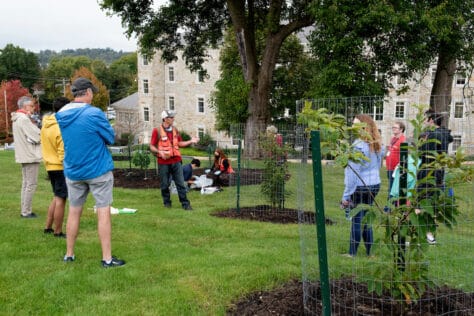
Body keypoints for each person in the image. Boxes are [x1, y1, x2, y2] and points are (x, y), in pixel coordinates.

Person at [55, 77, 125, 268]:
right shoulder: (94, 113)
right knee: (103, 211)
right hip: (97, 170)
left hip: (73, 170)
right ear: (86, 92)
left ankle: (69, 254)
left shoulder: (61, 114)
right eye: (92, 92)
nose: (93, 95)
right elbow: (110, 137)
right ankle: (107, 258)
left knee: (74, 211)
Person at [340, 114, 383, 257]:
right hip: (375, 184)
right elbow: (378, 165)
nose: (353, 127)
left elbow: (352, 175)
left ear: (364, 127)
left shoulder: (357, 146)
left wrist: (346, 195)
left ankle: (352, 253)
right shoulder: (375, 143)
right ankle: (371, 253)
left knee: (357, 220)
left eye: (356, 124)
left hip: (361, 186)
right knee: (366, 219)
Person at [149, 110, 199, 210]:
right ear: (165, 119)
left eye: (173, 117)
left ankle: (185, 204)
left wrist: (190, 141)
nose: (173, 119)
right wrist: (159, 152)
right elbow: (151, 146)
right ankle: (167, 203)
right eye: (171, 117)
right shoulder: (157, 131)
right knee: (164, 184)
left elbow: (179, 143)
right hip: (163, 162)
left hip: (176, 161)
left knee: (180, 183)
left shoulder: (175, 130)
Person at [417, 109, 453, 244]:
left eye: (426, 119)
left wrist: (422, 141)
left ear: (431, 120)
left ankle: (427, 235)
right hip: (438, 173)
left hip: (428, 172)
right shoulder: (444, 134)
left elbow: (423, 154)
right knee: (430, 204)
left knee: (423, 204)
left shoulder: (433, 136)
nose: (424, 122)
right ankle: (427, 235)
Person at [41, 97, 70, 238]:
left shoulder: (46, 123)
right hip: (60, 166)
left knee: (57, 196)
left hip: (50, 166)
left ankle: (47, 226)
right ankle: (58, 231)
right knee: (61, 199)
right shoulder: (60, 127)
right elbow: (62, 151)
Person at [12, 96, 42, 218]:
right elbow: (36, 136)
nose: (34, 108)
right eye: (31, 106)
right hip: (30, 154)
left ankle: (25, 209)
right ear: (25, 107)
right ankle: (26, 211)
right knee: (31, 184)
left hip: (24, 154)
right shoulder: (24, 119)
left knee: (26, 184)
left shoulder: (17, 118)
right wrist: (36, 125)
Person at [385, 121, 406, 197]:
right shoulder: (393, 139)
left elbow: (404, 156)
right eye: (393, 127)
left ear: (401, 130)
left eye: (395, 128)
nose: (393, 129)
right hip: (389, 167)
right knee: (390, 187)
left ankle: (388, 207)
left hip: (396, 169)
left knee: (392, 188)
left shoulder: (403, 140)